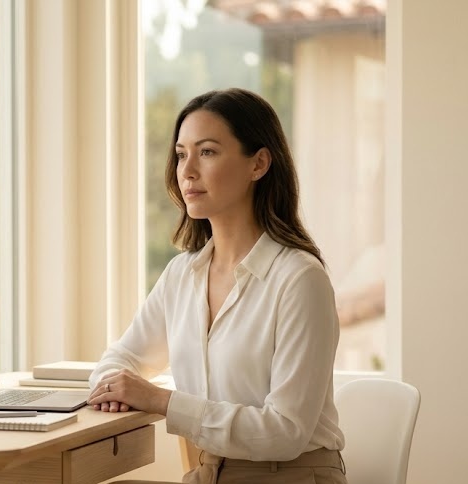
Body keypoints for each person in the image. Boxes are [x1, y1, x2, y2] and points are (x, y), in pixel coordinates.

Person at [87, 88, 347, 484]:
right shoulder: (181, 275)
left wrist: (160, 400)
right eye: (180, 154)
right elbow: (119, 360)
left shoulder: (299, 279)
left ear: (258, 164)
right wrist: (115, 388)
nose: (187, 170)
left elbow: (285, 432)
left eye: (207, 152)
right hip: (210, 471)